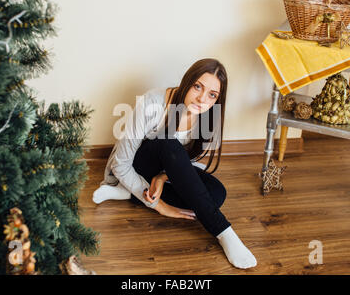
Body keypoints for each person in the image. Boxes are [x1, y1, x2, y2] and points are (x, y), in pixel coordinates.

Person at [93, 58, 257, 269]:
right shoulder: (153, 102)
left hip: (161, 172)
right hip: (133, 165)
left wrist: (162, 177)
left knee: (217, 193)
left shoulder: (207, 116)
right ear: (187, 81)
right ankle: (224, 231)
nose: (202, 98)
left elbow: (189, 163)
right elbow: (121, 163)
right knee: (168, 143)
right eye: (198, 86)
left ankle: (127, 192)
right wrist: (160, 206)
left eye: (212, 95)